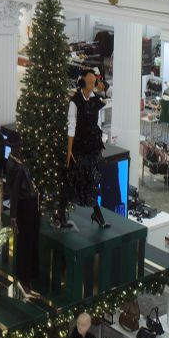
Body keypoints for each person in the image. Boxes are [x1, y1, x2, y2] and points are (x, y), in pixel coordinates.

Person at [61, 69, 108, 228]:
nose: (92, 85)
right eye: (89, 82)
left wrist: (100, 143)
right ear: (83, 83)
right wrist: (69, 150)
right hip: (79, 147)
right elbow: (71, 126)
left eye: (94, 82)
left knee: (93, 180)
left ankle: (97, 214)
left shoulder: (97, 101)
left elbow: (99, 125)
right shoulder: (75, 101)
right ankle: (61, 214)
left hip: (93, 147)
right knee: (72, 178)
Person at [6, 133, 40, 299]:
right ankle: (24, 279)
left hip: (31, 204)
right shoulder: (14, 166)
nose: (21, 148)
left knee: (30, 241)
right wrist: (13, 217)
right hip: (24, 207)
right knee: (25, 243)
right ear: (13, 147)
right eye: (18, 146)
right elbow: (13, 193)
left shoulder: (19, 162)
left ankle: (28, 276)